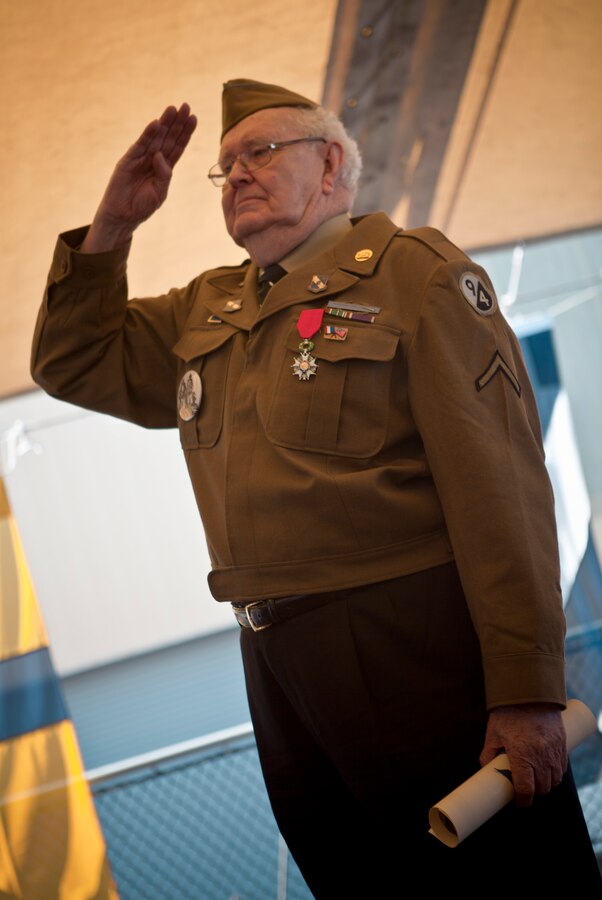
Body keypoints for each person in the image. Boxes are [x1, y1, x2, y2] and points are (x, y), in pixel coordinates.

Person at [31, 79, 601, 896]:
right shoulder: (209, 307)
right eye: (223, 167)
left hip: (409, 640)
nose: (235, 175)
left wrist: (527, 691)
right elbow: (71, 362)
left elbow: (500, 491)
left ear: (330, 165)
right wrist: (113, 225)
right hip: (276, 659)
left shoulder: (418, 278)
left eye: (257, 153)